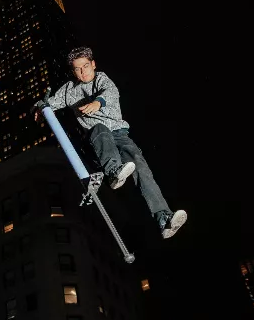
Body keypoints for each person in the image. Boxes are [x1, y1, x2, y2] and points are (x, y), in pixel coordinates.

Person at [35, 47, 187, 239]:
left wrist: (98, 103)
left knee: (140, 165)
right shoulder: (68, 89)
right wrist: (41, 109)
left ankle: (163, 218)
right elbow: (51, 102)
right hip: (96, 141)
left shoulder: (101, 79)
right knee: (99, 128)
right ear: (72, 72)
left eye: (86, 66)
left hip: (120, 134)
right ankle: (114, 171)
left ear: (93, 64)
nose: (83, 72)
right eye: (78, 69)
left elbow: (110, 91)